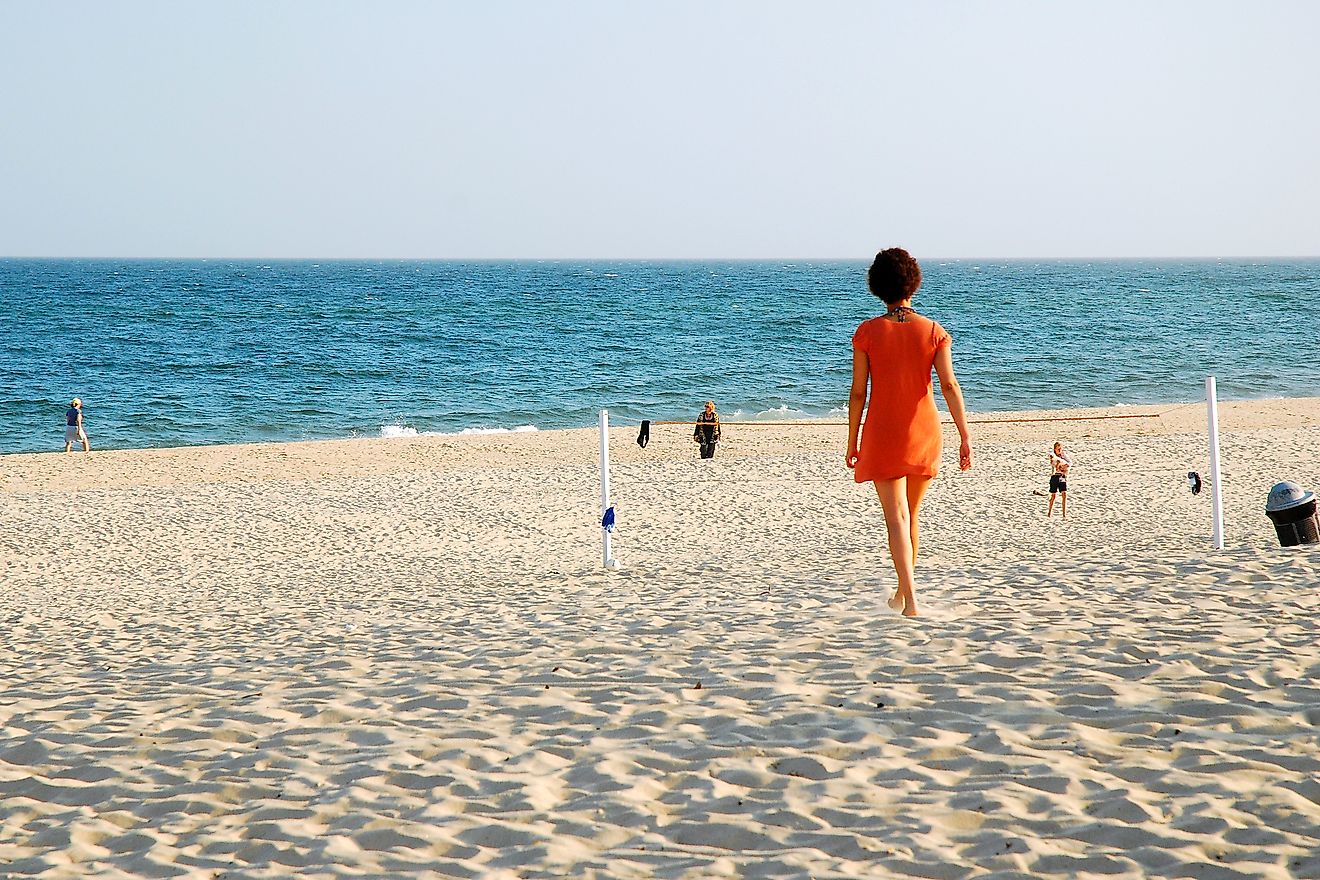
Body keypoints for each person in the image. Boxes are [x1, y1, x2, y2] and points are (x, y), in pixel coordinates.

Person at [846, 248, 972, 618]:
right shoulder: (933, 331)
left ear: (878, 286)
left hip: (884, 430)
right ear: (912, 283)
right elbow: (949, 385)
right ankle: (903, 594)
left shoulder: (868, 332)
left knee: (897, 517)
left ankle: (911, 600)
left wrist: (852, 440)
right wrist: (965, 435)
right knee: (911, 515)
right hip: (924, 430)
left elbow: (858, 393)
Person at [1047, 441, 1071, 518]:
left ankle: (1064, 514)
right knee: (1053, 496)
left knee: (1064, 494)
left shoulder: (1063, 455)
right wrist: (1059, 465)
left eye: (1061, 449)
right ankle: (1049, 512)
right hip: (1055, 477)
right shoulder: (1053, 456)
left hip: (1062, 476)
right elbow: (1055, 466)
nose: (1060, 451)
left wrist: (1065, 466)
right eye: (1058, 449)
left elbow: (1070, 463)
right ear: (1055, 449)